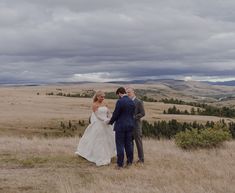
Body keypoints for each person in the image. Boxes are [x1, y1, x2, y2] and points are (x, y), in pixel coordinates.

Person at [75, 91, 116, 166]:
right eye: (101, 97)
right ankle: (98, 156)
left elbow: (108, 112)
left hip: (106, 124)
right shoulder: (94, 105)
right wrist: (104, 120)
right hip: (99, 124)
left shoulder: (105, 104)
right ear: (97, 97)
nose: (103, 98)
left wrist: (110, 119)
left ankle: (108, 154)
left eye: (103, 97)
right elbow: (97, 116)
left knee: (107, 139)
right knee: (98, 140)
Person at [108, 87, 135, 169]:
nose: (118, 96)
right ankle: (129, 162)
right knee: (128, 145)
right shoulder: (131, 101)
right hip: (130, 125)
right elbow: (131, 114)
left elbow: (116, 114)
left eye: (118, 95)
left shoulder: (120, 101)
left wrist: (110, 122)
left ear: (120, 93)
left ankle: (120, 164)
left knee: (120, 145)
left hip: (121, 126)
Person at [126, 87, 145, 164]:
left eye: (129, 92)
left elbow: (143, 113)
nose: (128, 94)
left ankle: (141, 160)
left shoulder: (139, 102)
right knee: (130, 144)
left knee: (138, 144)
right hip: (128, 126)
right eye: (126, 92)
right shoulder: (127, 102)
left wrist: (133, 117)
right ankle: (130, 160)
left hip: (136, 126)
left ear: (133, 92)